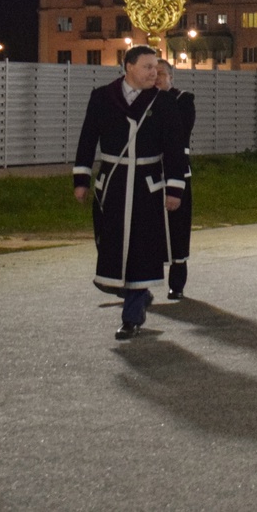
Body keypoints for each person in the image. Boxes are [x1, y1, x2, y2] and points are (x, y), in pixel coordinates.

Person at [73, 45, 188, 340]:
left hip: (147, 187)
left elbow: (175, 149)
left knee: (140, 250)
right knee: (109, 246)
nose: (154, 73)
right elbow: (87, 138)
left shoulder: (164, 103)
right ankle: (136, 291)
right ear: (129, 67)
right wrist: (81, 179)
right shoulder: (102, 97)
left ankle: (132, 317)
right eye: (148, 67)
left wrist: (174, 188)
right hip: (112, 184)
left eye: (156, 68)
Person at [156, 59, 195, 299]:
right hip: (150, 174)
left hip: (178, 173)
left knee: (178, 228)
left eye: (161, 73)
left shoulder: (183, 100)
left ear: (171, 77)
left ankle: (177, 283)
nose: (156, 77)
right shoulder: (143, 101)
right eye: (152, 73)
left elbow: (181, 132)